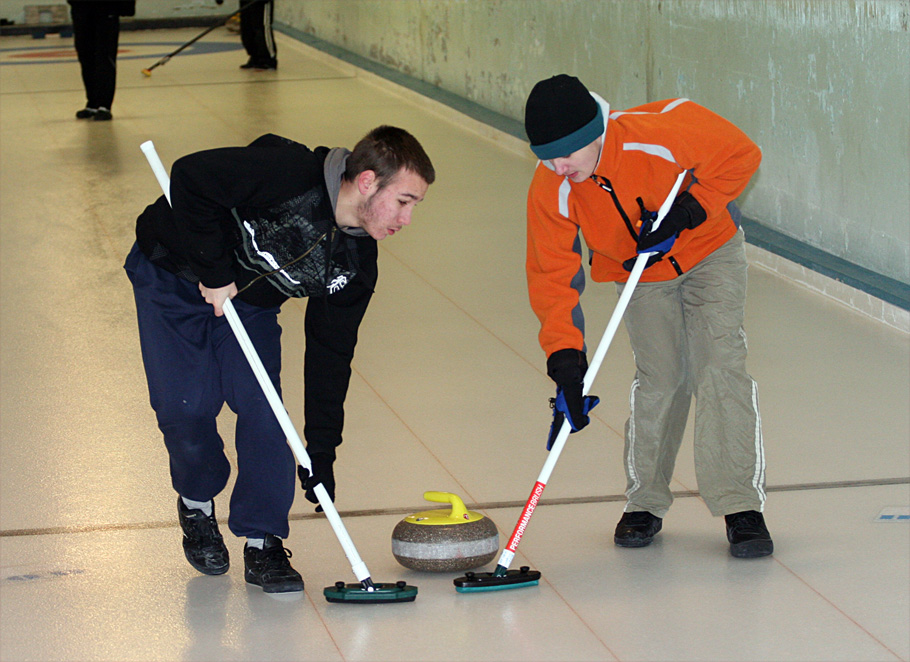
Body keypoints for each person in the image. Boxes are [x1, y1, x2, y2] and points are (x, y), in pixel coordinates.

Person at [125, 127, 435, 592]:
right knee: (184, 407)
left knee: (266, 411)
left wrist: (322, 451)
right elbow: (190, 176)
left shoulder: (354, 264)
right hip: (172, 271)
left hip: (248, 302)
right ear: (368, 182)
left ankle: (262, 539)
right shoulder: (289, 174)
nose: (408, 220)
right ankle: (196, 500)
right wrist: (212, 270)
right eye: (405, 201)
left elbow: (331, 354)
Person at [523, 74, 772, 559]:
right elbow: (551, 273)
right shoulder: (551, 185)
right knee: (662, 378)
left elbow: (741, 155)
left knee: (720, 367)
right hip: (640, 275)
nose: (558, 165)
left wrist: (687, 211)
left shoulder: (657, 132)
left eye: (567, 154)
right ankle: (645, 501)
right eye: (546, 156)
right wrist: (565, 360)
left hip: (709, 252)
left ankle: (740, 504)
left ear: (594, 134)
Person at [67, 0, 134, 121]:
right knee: (85, 56)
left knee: (105, 57)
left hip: (106, 8)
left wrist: (125, 6)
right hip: (81, 9)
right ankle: (92, 103)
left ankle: (104, 105)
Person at [238, 0, 276, 70]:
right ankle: (255, 57)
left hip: (261, 3)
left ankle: (269, 59)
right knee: (247, 29)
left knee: (261, 29)